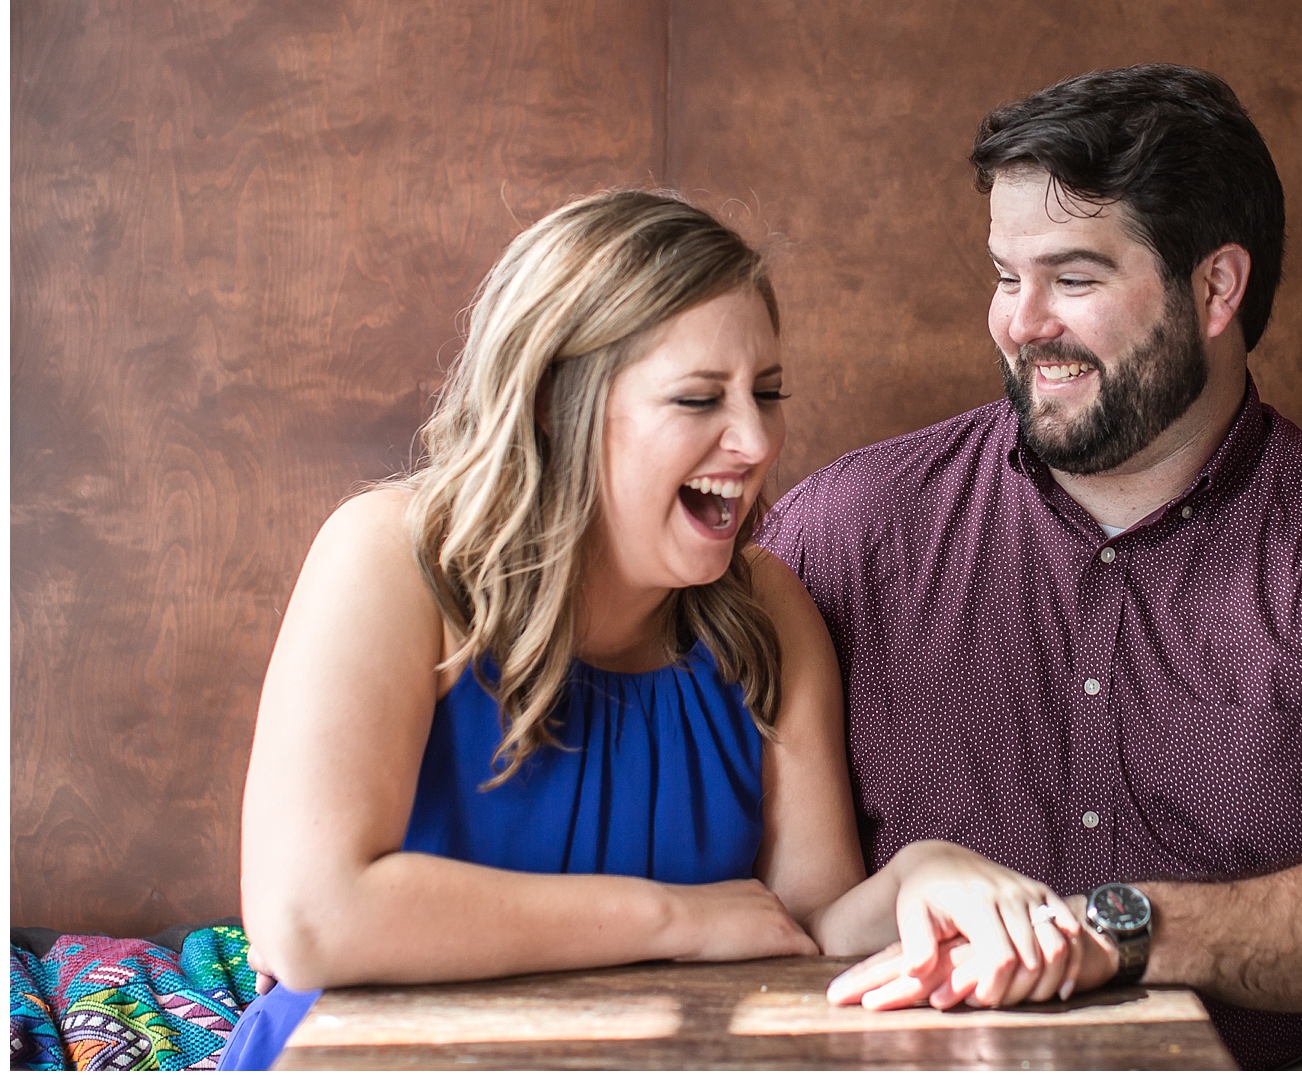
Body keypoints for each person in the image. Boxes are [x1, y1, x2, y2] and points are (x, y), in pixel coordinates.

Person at [761, 65, 1302, 1069]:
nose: (1019, 321)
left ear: (1215, 286)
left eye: (1074, 278)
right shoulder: (843, 530)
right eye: (1007, 274)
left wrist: (1118, 933)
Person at [223, 191, 1091, 1069]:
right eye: (696, 398)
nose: (755, 441)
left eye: (768, 392)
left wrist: (918, 877)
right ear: (557, 405)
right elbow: (308, 918)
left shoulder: (769, 612)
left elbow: (800, 929)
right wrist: (673, 916)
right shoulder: (392, 561)